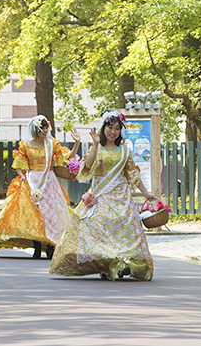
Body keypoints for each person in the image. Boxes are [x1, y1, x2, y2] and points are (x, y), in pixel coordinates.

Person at [49, 111, 156, 281]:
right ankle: (108, 265)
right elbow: (88, 167)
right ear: (103, 128)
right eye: (109, 127)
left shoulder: (125, 150)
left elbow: (132, 174)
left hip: (122, 198)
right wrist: (95, 144)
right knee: (99, 229)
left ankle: (124, 264)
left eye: (116, 128)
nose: (112, 131)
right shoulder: (96, 147)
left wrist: (146, 194)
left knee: (125, 230)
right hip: (101, 196)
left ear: (120, 131)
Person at [0, 115, 81, 259]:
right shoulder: (25, 145)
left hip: (48, 181)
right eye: (41, 128)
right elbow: (19, 164)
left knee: (51, 213)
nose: (44, 130)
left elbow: (67, 156)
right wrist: (23, 176)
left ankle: (50, 247)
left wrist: (77, 143)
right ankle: (37, 247)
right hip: (31, 181)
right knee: (34, 214)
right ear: (36, 130)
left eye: (46, 127)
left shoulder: (52, 144)